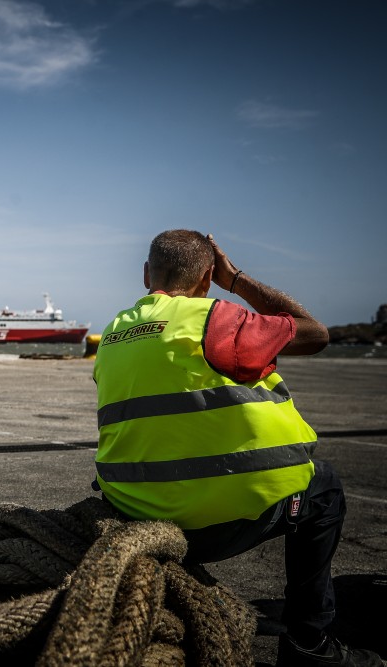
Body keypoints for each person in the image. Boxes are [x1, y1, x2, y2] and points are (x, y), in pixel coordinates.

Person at [92, 230, 382, 667]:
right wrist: (239, 280)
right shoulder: (215, 320)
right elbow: (315, 334)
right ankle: (310, 645)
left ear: (146, 274)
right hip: (208, 527)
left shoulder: (115, 332)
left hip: (136, 511)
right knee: (324, 489)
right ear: (208, 277)